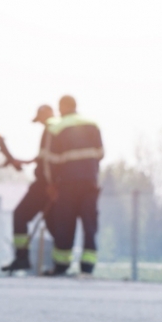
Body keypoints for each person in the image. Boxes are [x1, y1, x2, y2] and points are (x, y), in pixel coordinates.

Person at [41, 95, 104, 275]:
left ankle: (61, 265)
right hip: (90, 183)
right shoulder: (93, 124)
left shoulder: (56, 127)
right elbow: (100, 153)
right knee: (89, 224)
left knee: (65, 224)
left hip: (67, 184)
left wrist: (52, 184)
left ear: (62, 107)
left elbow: (50, 161)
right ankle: (87, 266)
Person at [0, 104, 56, 273]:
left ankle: (22, 258)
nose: (40, 123)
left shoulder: (51, 130)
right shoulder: (53, 131)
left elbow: (48, 161)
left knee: (20, 215)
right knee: (53, 223)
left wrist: (51, 184)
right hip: (49, 184)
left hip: (45, 185)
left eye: (40, 119)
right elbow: (41, 158)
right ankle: (60, 264)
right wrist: (22, 162)